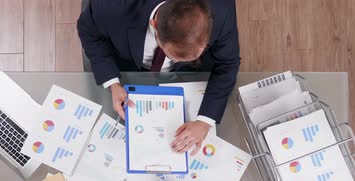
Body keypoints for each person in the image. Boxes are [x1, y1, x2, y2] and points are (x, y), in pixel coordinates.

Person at [77, 0, 240, 155]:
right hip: (126, 65)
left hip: (190, 75)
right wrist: (113, 83)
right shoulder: (112, 6)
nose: (173, 61)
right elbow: (88, 31)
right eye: (173, 55)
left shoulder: (221, 8)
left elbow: (228, 63)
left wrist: (205, 121)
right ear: (154, 25)